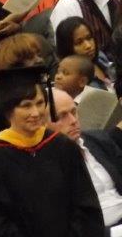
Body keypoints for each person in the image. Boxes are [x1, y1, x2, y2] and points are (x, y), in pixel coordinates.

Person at [0, 65, 104, 236]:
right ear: (8, 109)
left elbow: (85, 205)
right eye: (26, 106)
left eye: (40, 103)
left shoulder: (62, 145)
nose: (35, 112)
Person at [49, 87, 122, 230]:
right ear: (41, 123)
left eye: (74, 112)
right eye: (61, 116)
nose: (73, 121)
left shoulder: (98, 139)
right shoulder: (44, 163)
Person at [56, 17, 115, 91]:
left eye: (89, 38)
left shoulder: (100, 58)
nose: (88, 46)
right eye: (79, 42)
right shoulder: (72, 81)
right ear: (67, 48)